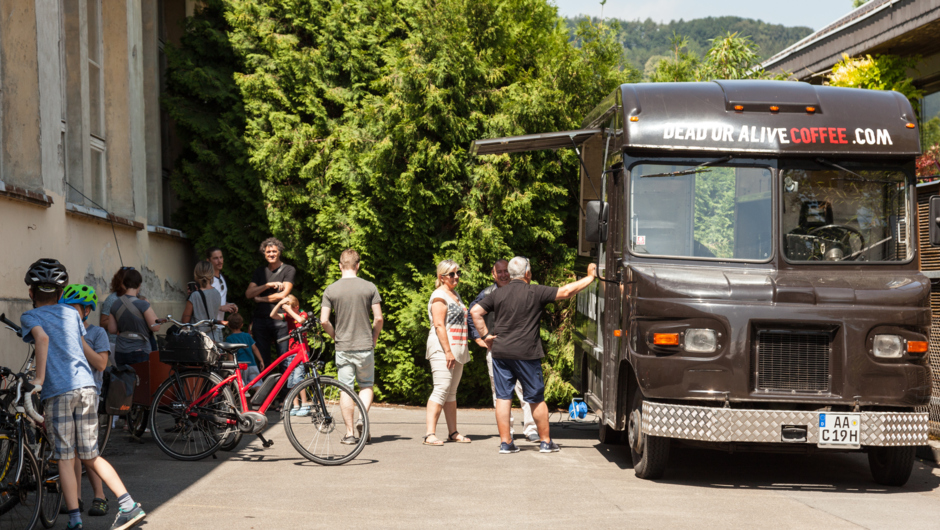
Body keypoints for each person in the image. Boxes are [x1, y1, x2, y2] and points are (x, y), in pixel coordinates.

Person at [21, 259, 146, 530]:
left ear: (31, 293)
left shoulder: (31, 316)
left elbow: (42, 340)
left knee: (65, 457)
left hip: (59, 392)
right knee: (90, 455)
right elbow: (75, 348)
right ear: (61, 293)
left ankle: (75, 521)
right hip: (87, 388)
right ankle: (128, 505)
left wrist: (39, 380)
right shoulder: (71, 314)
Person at [470, 256, 596, 454]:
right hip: (527, 353)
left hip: (501, 352)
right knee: (536, 398)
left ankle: (506, 443)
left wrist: (486, 336)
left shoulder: (498, 294)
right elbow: (566, 291)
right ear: (527, 273)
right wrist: (590, 278)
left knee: (503, 397)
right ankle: (545, 442)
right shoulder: (535, 291)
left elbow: (475, 311)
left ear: (510, 274)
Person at [467, 259, 539, 442]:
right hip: (496, 350)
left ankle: (531, 430)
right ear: (493, 274)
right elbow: (471, 313)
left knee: (526, 390)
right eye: (499, 271)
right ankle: (509, 432)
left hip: (521, 349)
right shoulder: (487, 293)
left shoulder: (524, 290)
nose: (503, 274)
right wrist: (479, 337)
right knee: (500, 394)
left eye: (506, 270)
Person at [320, 249, 383, 444]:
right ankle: (361, 419)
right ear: (358, 265)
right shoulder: (369, 287)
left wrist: (335, 336)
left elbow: (324, 321)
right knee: (366, 385)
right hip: (364, 345)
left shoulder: (331, 290)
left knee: (345, 388)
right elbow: (379, 318)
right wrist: (374, 337)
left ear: (340, 266)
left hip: (343, 346)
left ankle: (349, 434)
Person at [59, 284, 112, 518]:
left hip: (90, 395)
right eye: (66, 308)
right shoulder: (58, 331)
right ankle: (77, 499)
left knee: (88, 450)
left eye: (74, 308)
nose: (69, 312)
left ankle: (100, 495)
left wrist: (79, 340)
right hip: (66, 393)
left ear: (87, 311)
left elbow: (101, 364)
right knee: (71, 452)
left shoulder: (97, 333)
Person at [422, 259, 471, 446]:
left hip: (456, 350)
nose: (456, 277)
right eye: (452, 274)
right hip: (443, 350)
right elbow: (439, 325)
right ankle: (429, 434)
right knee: (441, 389)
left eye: (458, 273)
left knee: (451, 393)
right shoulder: (439, 296)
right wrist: (448, 351)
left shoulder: (454, 293)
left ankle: (453, 432)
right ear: (442, 277)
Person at [245, 237, 296, 368]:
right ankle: (265, 388)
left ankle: (286, 389)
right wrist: (267, 285)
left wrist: (260, 298)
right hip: (260, 321)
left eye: (274, 251)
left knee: (284, 360)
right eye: (268, 252)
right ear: (264, 253)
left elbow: (283, 295)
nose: (271, 254)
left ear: (279, 252)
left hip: (280, 320)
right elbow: (249, 294)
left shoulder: (288, 270)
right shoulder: (260, 272)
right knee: (263, 362)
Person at [106, 269, 165, 366]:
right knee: (140, 380)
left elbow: (112, 329)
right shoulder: (143, 304)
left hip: (120, 350)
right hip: (139, 350)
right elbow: (155, 327)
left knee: (124, 379)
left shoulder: (115, 304)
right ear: (139, 285)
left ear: (124, 284)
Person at [270, 294, 310, 415]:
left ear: (296, 307)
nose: (286, 311)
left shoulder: (303, 313)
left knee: (299, 378)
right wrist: (279, 303)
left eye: (290, 308)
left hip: (302, 351)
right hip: (291, 351)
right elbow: (272, 315)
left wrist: (288, 310)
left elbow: (301, 321)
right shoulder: (287, 315)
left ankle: (305, 404)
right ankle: (296, 405)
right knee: (291, 379)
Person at [181, 260, 223, 342]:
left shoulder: (194, 296)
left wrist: (190, 297)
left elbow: (185, 321)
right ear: (211, 274)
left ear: (196, 275)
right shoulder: (217, 293)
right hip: (214, 338)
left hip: (199, 340)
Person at [226, 313, 264, 389]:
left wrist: (231, 367)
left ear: (229, 326)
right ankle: (261, 400)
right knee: (257, 384)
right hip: (252, 364)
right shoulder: (247, 336)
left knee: (241, 387)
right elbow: (255, 348)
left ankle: (244, 400)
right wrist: (261, 360)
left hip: (239, 366)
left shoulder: (229, 339)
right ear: (242, 325)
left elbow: (230, 354)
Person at [99, 267, 131, 356]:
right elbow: (103, 322)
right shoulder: (112, 299)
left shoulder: (138, 298)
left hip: (133, 343)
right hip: (116, 343)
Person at [207, 247, 238, 321]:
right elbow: (202, 302)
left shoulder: (221, 277)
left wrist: (229, 305)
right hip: (207, 325)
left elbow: (219, 299)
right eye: (215, 258)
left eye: (221, 257)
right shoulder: (206, 279)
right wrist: (220, 307)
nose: (219, 261)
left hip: (219, 324)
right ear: (208, 261)